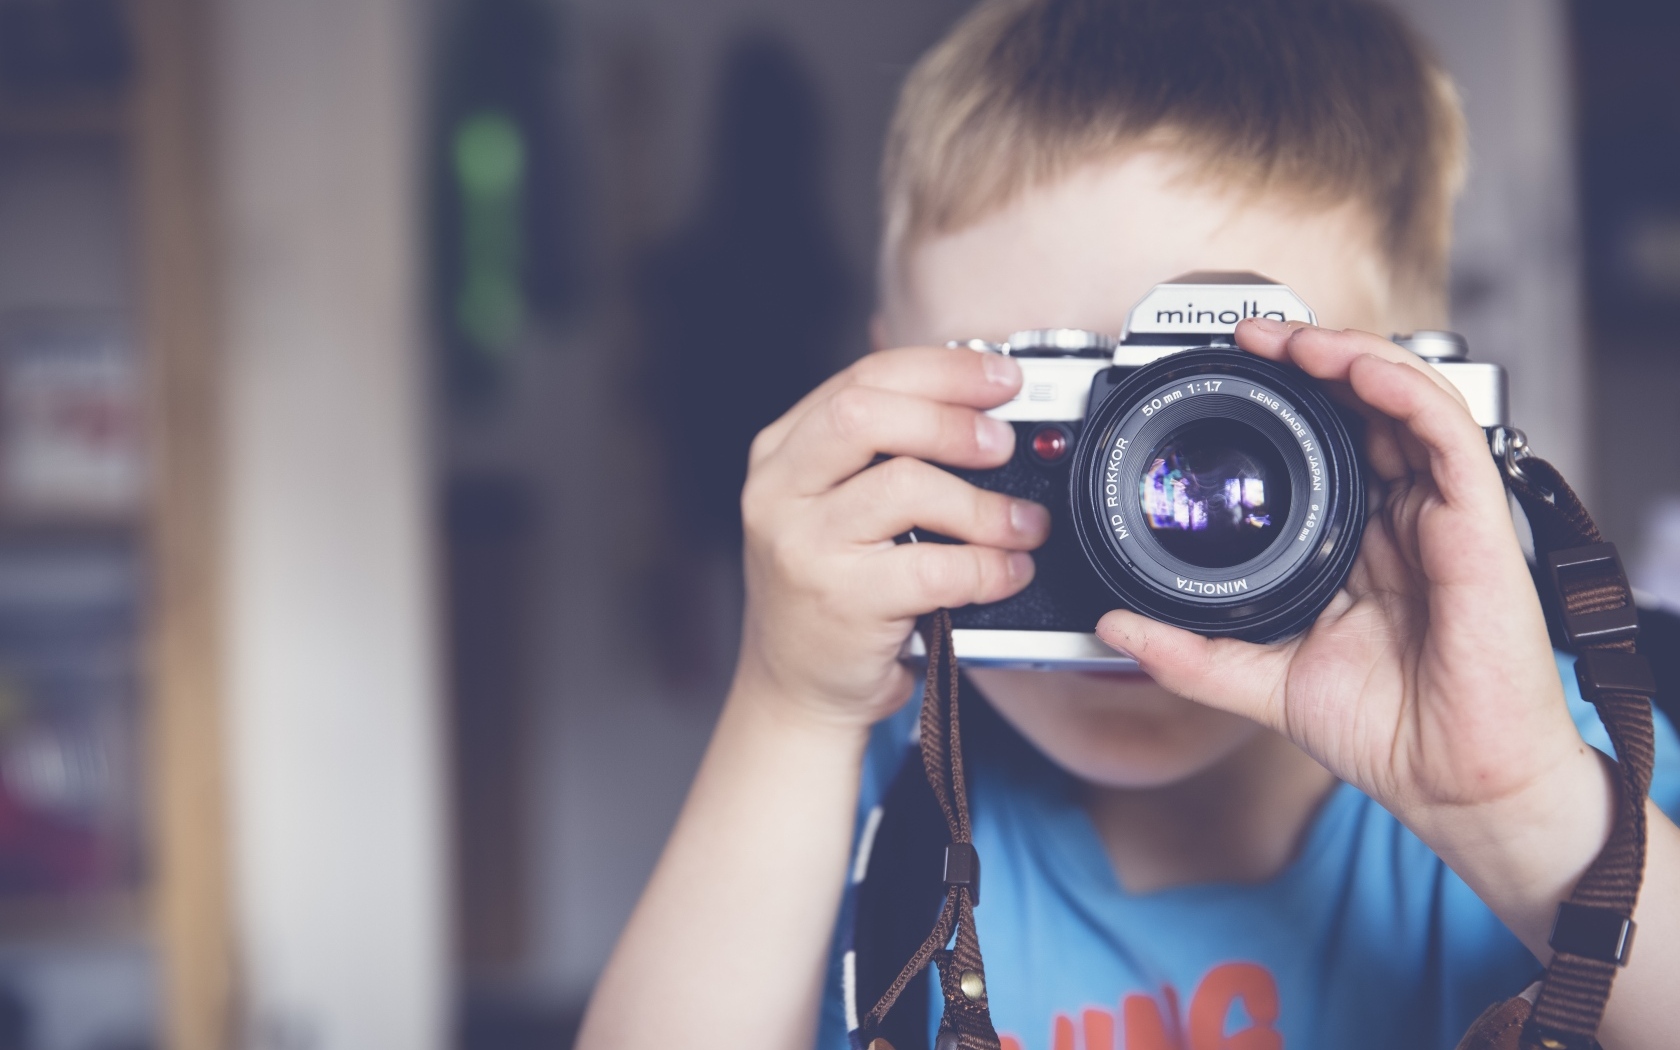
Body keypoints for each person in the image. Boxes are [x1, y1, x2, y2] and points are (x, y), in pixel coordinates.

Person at [576, 2, 1680, 1048]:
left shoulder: (1553, 756)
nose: (1135, 544)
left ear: (1406, 409)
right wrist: (791, 705)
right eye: (1051, 416)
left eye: (1235, 420)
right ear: (886, 399)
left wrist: (1526, 822)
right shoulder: (864, 789)